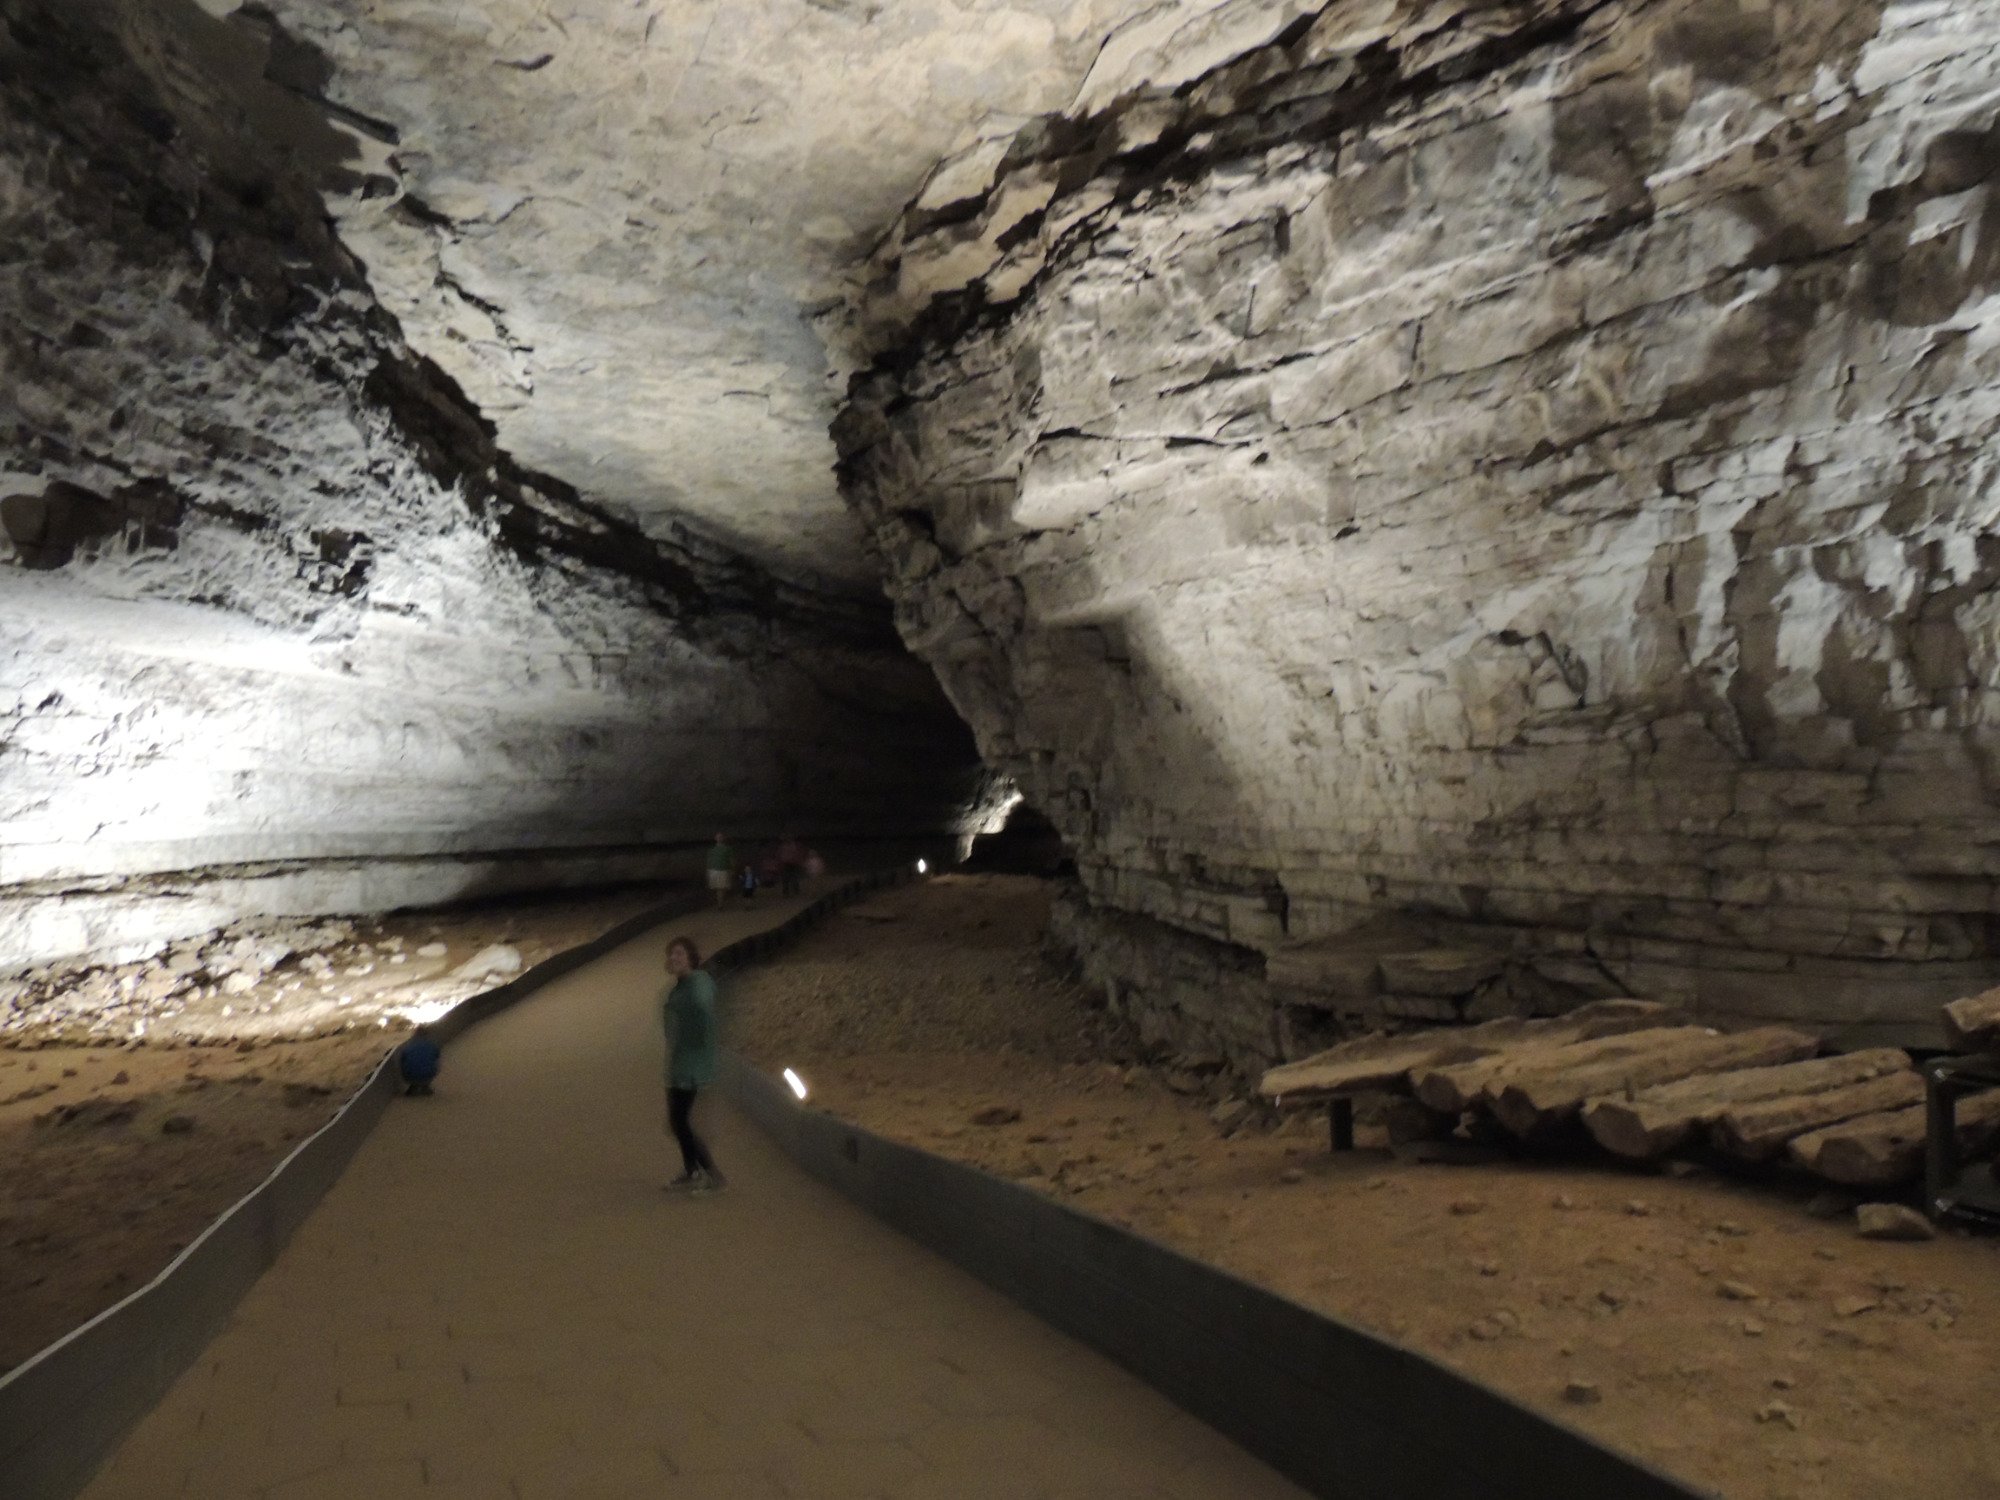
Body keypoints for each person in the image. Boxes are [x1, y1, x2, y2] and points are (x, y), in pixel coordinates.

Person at [662, 937, 725, 1191]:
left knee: (679, 1119)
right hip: (683, 1061)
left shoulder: (696, 984)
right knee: (678, 1120)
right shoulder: (685, 984)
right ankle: (694, 1171)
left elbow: (702, 1010)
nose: (674, 958)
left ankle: (707, 1174)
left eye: (679, 953)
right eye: (671, 954)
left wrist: (699, 1042)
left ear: (690, 957)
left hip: (691, 1063)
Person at [397, 1026, 441, 1096]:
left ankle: (413, 1085)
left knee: (406, 1062)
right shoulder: (432, 1045)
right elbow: (436, 1057)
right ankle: (425, 1085)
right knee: (433, 1061)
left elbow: (403, 1058)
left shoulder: (408, 1045)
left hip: (409, 1074)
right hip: (428, 1073)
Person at [705, 832, 735, 910]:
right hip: (714, 870)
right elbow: (709, 861)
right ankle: (720, 904)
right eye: (718, 837)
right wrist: (708, 871)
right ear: (715, 838)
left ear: (723, 838)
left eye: (721, 837)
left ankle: (720, 904)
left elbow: (731, 860)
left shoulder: (728, 849)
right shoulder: (712, 850)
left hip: (723, 870)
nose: (719, 838)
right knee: (718, 888)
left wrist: (732, 869)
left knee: (721, 888)